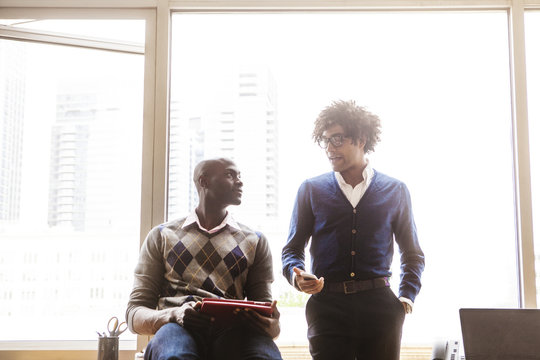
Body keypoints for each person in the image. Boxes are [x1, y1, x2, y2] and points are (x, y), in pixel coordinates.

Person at [282, 100, 425, 360]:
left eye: (337, 139)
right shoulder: (310, 190)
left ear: (361, 139)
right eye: (325, 141)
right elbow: (291, 250)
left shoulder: (396, 190)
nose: (329, 148)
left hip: (381, 308)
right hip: (326, 308)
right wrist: (297, 276)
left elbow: (413, 253)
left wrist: (406, 297)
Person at [127, 158, 282, 360]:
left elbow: (266, 314)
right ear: (204, 181)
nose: (240, 181)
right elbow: (134, 314)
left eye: (240, 176)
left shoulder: (255, 241)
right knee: (175, 355)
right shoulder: (162, 235)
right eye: (230, 174)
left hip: (233, 332)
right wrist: (173, 315)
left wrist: (273, 325)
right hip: (176, 327)